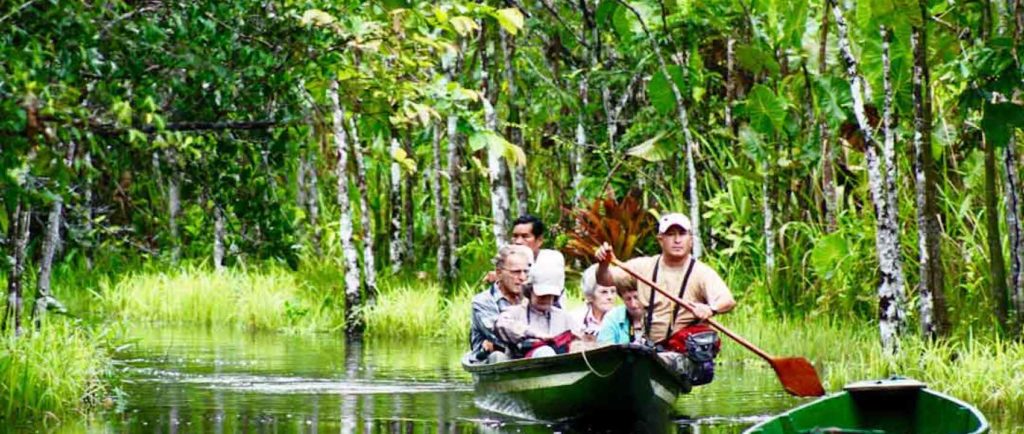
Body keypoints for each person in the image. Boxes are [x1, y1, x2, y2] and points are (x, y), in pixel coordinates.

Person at [594, 213, 735, 384]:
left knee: (654, 363)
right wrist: (603, 264)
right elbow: (605, 279)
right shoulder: (642, 267)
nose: (677, 240)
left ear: (690, 239)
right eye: (670, 234)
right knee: (627, 362)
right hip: (651, 350)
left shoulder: (702, 273)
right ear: (660, 240)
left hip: (682, 355)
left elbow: (727, 300)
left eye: (682, 234)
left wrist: (710, 309)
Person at [494, 258, 579, 358]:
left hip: (560, 367)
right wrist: (533, 334)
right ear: (530, 291)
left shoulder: (564, 317)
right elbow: (501, 325)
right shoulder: (514, 313)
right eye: (541, 294)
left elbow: (578, 338)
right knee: (544, 352)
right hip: (522, 367)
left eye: (550, 295)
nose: (545, 299)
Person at [470, 244, 533, 363]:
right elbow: (502, 336)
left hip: (529, 354)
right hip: (492, 358)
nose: (522, 277)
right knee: (498, 356)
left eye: (526, 272)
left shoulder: (534, 298)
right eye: (516, 272)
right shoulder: (482, 302)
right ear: (499, 273)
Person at [572, 264, 618, 340]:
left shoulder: (621, 319)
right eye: (604, 292)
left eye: (613, 291)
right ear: (589, 296)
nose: (610, 297)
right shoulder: (575, 319)